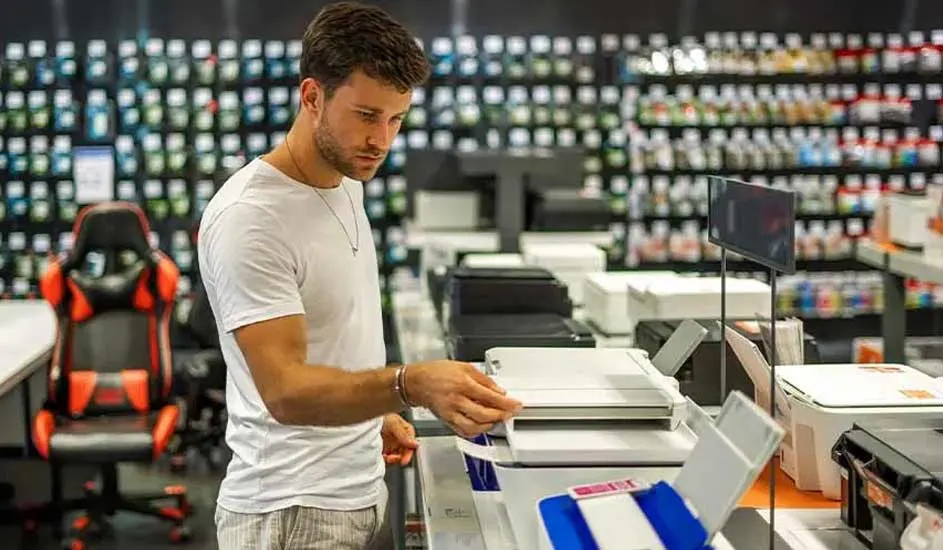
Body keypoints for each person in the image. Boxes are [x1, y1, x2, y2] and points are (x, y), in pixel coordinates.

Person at [197, 2, 522, 548]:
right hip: (290, 509)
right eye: (367, 115)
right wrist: (406, 384)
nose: (383, 140)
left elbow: (334, 342)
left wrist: (370, 416)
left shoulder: (347, 180)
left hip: (353, 489)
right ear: (311, 97)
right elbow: (285, 391)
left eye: (396, 119)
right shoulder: (252, 218)